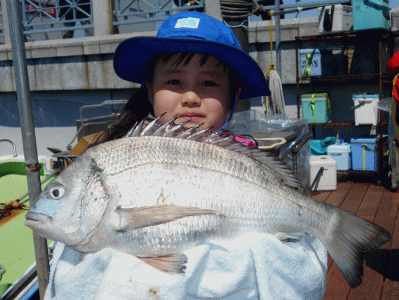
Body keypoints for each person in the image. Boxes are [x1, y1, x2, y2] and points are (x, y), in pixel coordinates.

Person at [44, 11, 327, 300]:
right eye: (175, 82)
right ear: (150, 88)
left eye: (209, 83)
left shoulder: (247, 157)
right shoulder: (118, 152)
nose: (190, 97)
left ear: (233, 96)